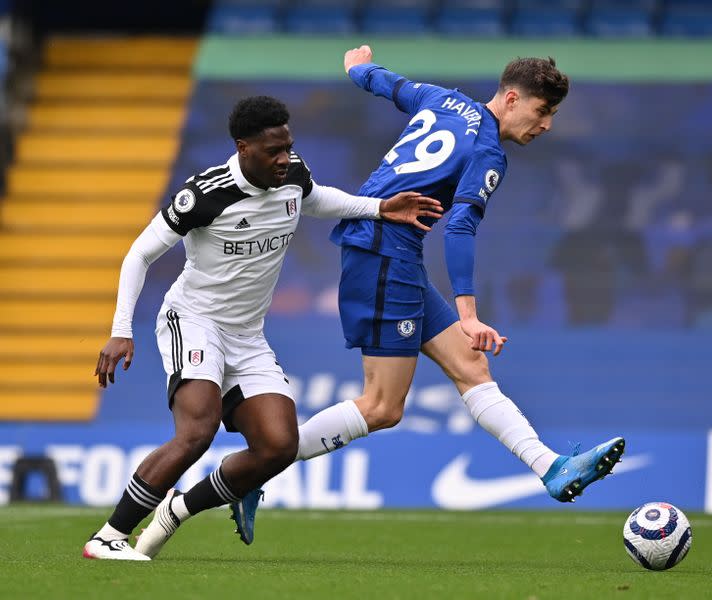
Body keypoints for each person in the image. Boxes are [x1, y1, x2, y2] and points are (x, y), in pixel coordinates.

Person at [139, 45, 627, 556]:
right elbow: (460, 226)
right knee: (382, 406)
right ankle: (238, 477)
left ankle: (550, 467)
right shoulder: (488, 153)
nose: (546, 124)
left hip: (393, 252)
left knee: (471, 367)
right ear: (510, 98)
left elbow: (393, 86)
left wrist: (359, 69)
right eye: (542, 111)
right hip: (380, 254)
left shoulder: (444, 101)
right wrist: (468, 313)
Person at [82, 95, 442, 560]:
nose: (284, 158)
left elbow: (316, 199)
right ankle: (109, 536)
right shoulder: (205, 194)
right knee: (197, 430)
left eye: (288, 147)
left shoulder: (291, 174)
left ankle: (181, 508)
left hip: (247, 335)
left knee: (277, 446)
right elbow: (140, 254)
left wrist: (377, 208)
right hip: (194, 321)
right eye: (273, 150)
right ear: (243, 147)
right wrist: (120, 329)